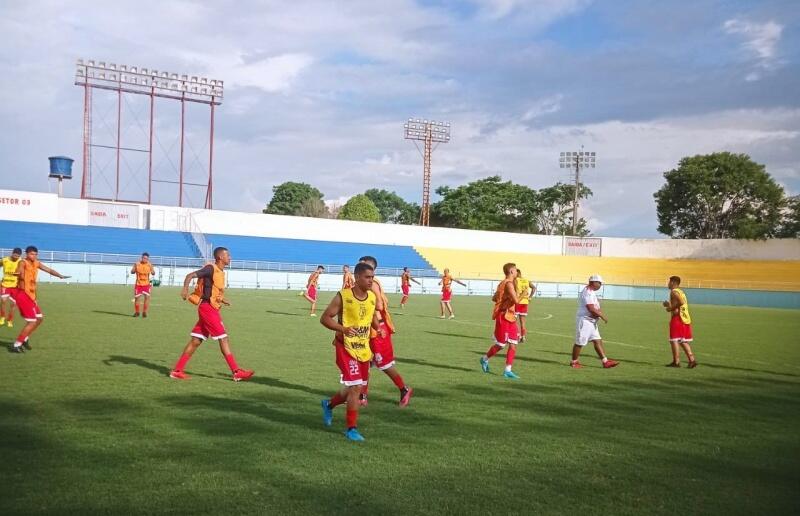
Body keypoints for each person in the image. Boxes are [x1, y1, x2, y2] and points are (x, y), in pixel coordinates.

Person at [169, 247, 254, 381]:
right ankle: (236, 372)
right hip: (208, 309)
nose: (230, 257)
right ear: (220, 257)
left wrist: (222, 299)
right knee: (223, 337)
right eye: (228, 255)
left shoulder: (220, 272)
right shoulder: (210, 268)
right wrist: (185, 289)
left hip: (210, 307)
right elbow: (189, 275)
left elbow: (212, 290)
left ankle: (176, 371)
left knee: (196, 341)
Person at [319, 262, 381, 442]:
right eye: (367, 277)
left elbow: (370, 320)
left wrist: (380, 326)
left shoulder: (371, 297)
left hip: (363, 348)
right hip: (344, 346)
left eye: (372, 277)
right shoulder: (343, 296)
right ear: (357, 277)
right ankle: (351, 429)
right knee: (355, 387)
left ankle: (329, 404)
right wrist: (343, 328)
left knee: (356, 387)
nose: (371, 281)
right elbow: (325, 318)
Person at [358, 256, 413, 407]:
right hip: (367, 328)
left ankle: (404, 389)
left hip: (378, 328)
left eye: (363, 265)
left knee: (384, 364)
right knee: (364, 362)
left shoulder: (372, 284)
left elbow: (380, 305)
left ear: (372, 268)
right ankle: (362, 396)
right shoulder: (363, 283)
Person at [11, 246, 70, 352]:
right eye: (31, 254)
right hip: (23, 294)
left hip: (32, 295)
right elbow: (19, 270)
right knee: (32, 322)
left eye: (35, 254)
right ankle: (16, 345)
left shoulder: (37, 263)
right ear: (27, 254)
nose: (34, 256)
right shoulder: (23, 262)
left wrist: (60, 276)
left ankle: (24, 339)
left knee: (39, 319)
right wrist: (18, 274)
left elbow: (48, 270)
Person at [480, 263, 522, 379]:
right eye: (515, 270)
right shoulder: (508, 284)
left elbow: (494, 298)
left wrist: (503, 298)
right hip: (503, 316)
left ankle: (508, 371)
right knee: (501, 344)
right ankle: (484, 359)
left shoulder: (503, 284)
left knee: (513, 343)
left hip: (511, 316)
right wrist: (523, 294)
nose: (516, 272)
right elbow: (517, 301)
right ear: (511, 271)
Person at [571, 275, 619, 369]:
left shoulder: (591, 291)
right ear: (593, 282)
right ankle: (574, 362)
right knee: (580, 342)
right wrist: (602, 316)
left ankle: (605, 361)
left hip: (591, 321)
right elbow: (591, 308)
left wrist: (598, 313)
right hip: (585, 321)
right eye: (599, 283)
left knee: (597, 340)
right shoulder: (588, 293)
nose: (600, 285)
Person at [663, 276, 697, 368]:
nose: (668, 284)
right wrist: (669, 305)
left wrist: (670, 308)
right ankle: (692, 360)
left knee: (674, 340)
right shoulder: (681, 292)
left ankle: (676, 361)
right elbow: (679, 304)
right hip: (684, 318)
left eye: (669, 282)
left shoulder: (674, 292)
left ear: (673, 283)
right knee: (683, 341)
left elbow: (680, 302)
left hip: (677, 318)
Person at [0, 247, 22, 328]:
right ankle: (2, 317)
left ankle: (10, 320)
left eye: (18, 256)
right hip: (5, 284)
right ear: (12, 253)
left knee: (13, 304)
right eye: (15, 255)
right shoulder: (5, 260)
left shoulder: (20, 262)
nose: (16, 257)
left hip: (15, 286)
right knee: (3, 301)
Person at [131, 252, 156, 318]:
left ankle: (144, 312)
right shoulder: (137, 264)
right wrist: (134, 270)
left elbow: (153, 273)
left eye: (146, 258)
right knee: (137, 298)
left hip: (146, 284)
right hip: (138, 284)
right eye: (144, 258)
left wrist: (153, 272)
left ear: (148, 259)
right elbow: (132, 272)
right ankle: (137, 312)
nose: (145, 259)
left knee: (147, 298)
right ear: (141, 258)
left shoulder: (150, 265)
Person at [514, 268, 535, 342]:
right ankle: (523, 337)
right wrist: (530, 297)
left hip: (518, 301)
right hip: (525, 302)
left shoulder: (516, 280)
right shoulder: (526, 280)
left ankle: (517, 335)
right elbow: (534, 288)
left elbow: (515, 291)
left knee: (514, 321)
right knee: (522, 322)